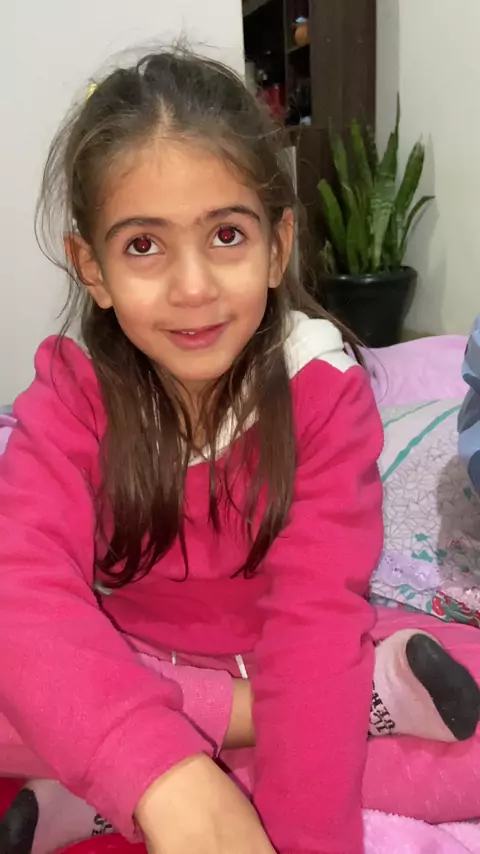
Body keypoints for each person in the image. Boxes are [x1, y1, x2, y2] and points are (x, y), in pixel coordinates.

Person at [0, 49, 479, 854]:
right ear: (94, 269)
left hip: (287, 669)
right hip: (134, 663)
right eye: (143, 245)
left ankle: (107, 794)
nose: (192, 288)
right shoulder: (73, 392)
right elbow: (20, 587)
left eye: (226, 235)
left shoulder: (320, 392)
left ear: (277, 246)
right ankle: (192, 754)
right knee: (29, 666)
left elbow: (314, 636)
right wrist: (158, 767)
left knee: (431, 714)